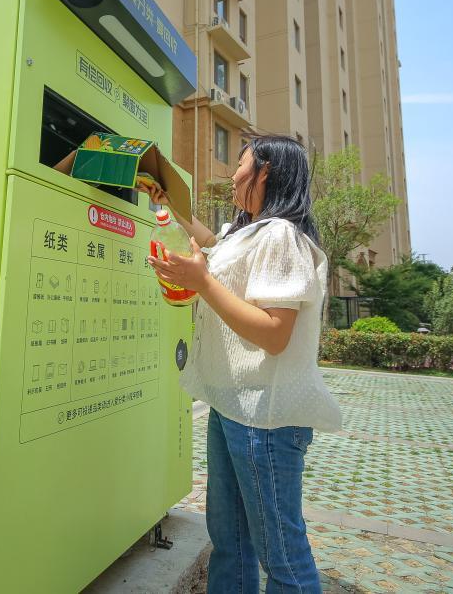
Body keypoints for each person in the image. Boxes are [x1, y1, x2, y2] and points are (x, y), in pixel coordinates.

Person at [142, 135, 341, 594]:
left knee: (282, 556)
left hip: (266, 418)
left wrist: (202, 282)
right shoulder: (247, 231)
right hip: (232, 407)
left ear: (265, 171)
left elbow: (275, 334)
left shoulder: (282, 236)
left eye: (240, 162)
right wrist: (169, 203)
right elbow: (214, 246)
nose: (232, 174)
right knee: (229, 541)